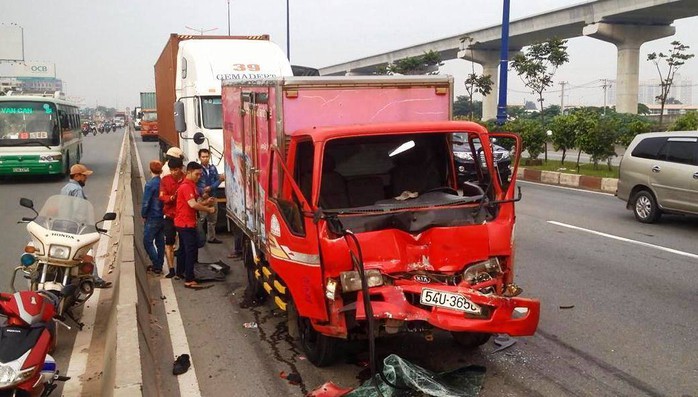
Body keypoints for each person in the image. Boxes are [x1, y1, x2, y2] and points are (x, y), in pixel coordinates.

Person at [60, 164, 112, 288]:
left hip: (63, 225)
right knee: (87, 252)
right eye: (84, 176)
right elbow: (79, 211)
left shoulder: (65, 188)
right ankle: (95, 279)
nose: (85, 179)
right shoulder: (77, 190)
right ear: (77, 176)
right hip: (76, 227)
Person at [175, 161, 216, 288]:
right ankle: (189, 279)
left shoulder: (191, 185)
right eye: (197, 174)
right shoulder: (186, 186)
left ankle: (180, 272)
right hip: (186, 223)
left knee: (182, 250)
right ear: (189, 172)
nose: (199, 177)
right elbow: (193, 204)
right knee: (190, 251)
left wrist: (206, 202)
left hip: (183, 222)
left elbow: (192, 205)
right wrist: (208, 209)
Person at [159, 158, 185, 278]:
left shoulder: (186, 180)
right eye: (172, 170)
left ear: (181, 169)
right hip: (169, 216)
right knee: (169, 242)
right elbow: (162, 197)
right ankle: (171, 268)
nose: (174, 172)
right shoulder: (165, 180)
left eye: (176, 170)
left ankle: (182, 268)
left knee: (184, 244)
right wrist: (171, 198)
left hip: (182, 216)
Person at [141, 160, 165, 275]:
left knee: (147, 241)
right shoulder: (163, 183)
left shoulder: (150, 184)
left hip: (152, 216)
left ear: (150, 170)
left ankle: (156, 264)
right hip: (162, 216)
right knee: (160, 241)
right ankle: (159, 264)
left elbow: (146, 202)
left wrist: (143, 214)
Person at [197, 148, 223, 244]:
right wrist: (201, 192)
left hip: (213, 195)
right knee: (201, 219)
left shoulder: (213, 168)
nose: (205, 159)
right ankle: (199, 238)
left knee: (213, 219)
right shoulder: (198, 169)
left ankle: (211, 237)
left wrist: (211, 187)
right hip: (202, 196)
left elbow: (218, 180)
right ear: (199, 157)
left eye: (207, 156)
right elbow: (195, 184)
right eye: (203, 157)